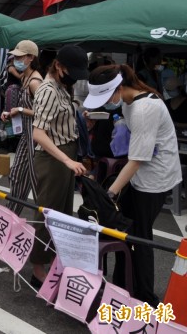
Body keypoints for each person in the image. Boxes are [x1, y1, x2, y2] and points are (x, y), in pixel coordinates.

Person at [87, 65, 182, 306]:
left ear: (119, 88)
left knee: (140, 238)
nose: (105, 103)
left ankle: (145, 298)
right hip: (141, 174)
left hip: (154, 180)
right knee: (126, 232)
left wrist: (109, 193)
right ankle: (124, 285)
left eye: (105, 97)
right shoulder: (130, 102)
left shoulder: (144, 108)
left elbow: (137, 159)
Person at [29, 45, 89, 286]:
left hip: (65, 154)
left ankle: (53, 261)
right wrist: (66, 159)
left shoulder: (62, 87)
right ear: (59, 66)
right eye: (71, 70)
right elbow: (38, 134)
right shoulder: (48, 90)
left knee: (62, 213)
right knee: (48, 213)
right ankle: (37, 267)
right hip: (53, 158)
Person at [1, 40, 43, 215]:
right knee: (17, 176)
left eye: (20, 56)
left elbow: (43, 113)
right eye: (15, 56)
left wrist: (19, 109)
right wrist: (13, 113)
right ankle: (11, 216)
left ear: (31, 57)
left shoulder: (35, 81)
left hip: (37, 139)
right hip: (27, 136)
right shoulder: (26, 77)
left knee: (34, 182)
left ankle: (42, 225)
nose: (15, 59)